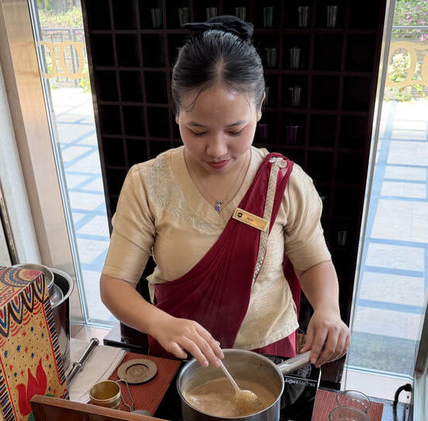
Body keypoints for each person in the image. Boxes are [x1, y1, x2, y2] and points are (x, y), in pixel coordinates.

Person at [100, 15, 350, 368]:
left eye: (235, 130)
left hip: (269, 354)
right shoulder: (147, 183)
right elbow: (115, 284)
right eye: (197, 131)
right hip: (182, 353)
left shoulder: (285, 182)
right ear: (176, 113)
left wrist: (327, 308)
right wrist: (161, 324)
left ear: (260, 106)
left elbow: (312, 262)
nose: (217, 149)